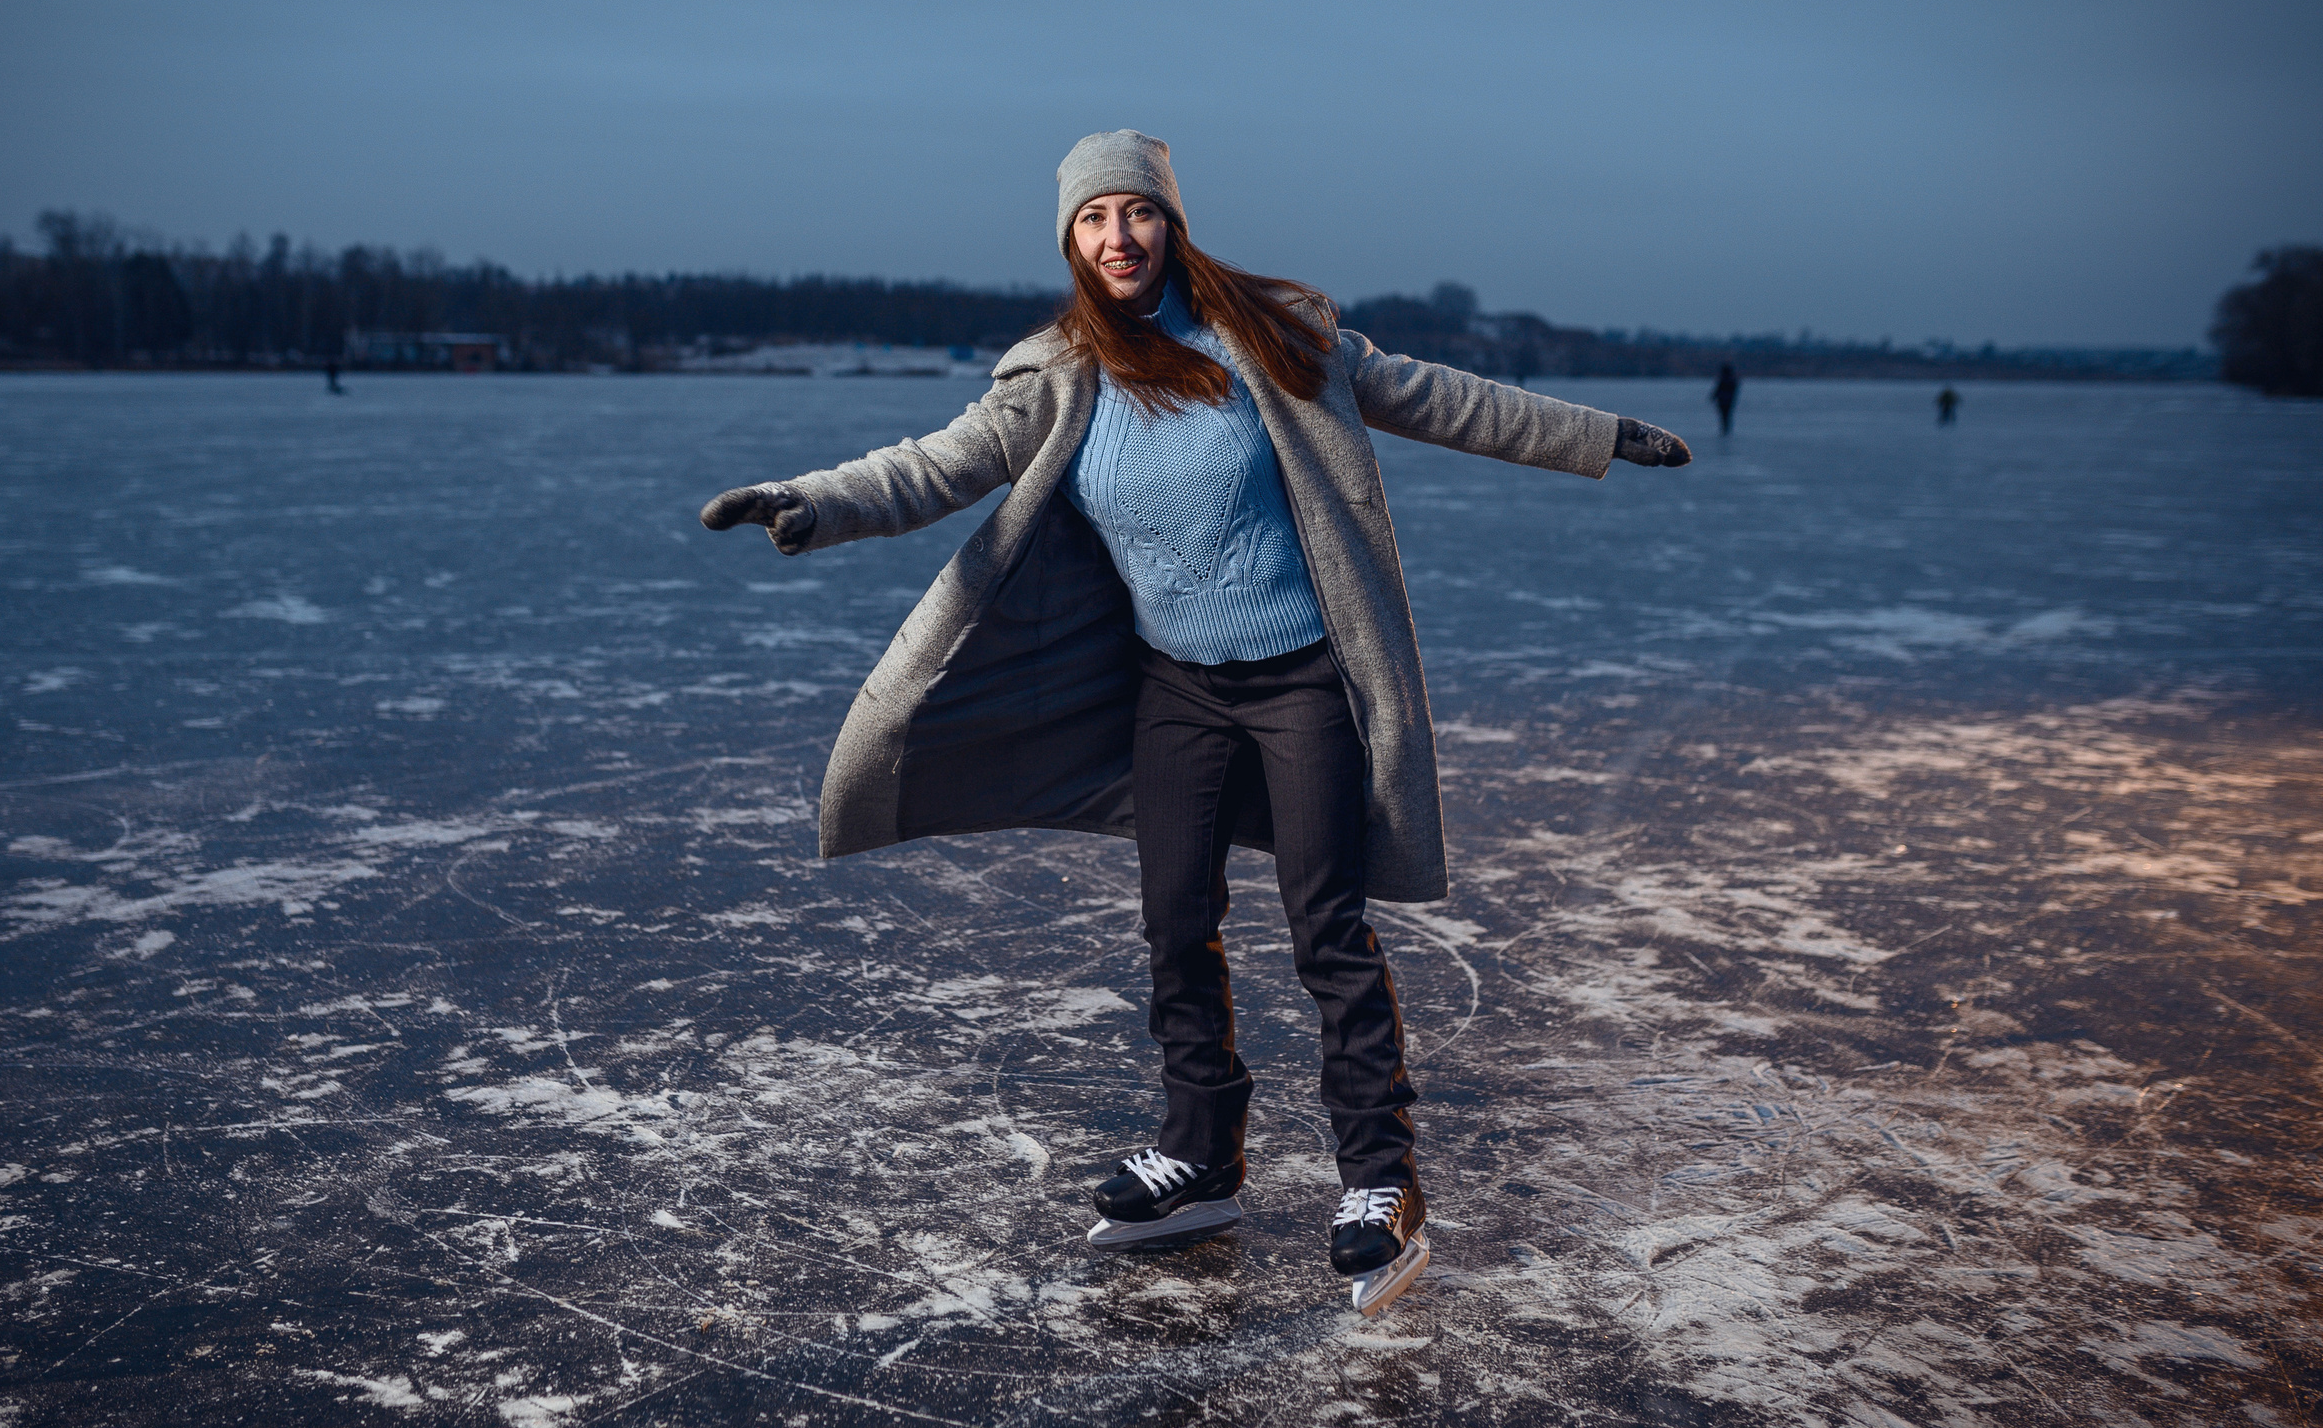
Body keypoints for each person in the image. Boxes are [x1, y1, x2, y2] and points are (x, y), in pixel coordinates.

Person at [700, 132, 1694, 1316]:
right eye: (1092, 221)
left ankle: (1380, 1182)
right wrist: (810, 503)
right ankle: (1203, 1152)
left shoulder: (1274, 336)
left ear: (1171, 223)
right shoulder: (1056, 374)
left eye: (1136, 214)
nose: (1116, 238)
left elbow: (1433, 395)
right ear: (1069, 243)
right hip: (1175, 689)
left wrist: (1594, 434)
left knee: (1327, 927)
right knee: (1176, 923)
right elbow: (936, 463)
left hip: (1300, 681)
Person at [1710, 362, 1740, 435]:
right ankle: (1726, 429)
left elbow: (1718, 389)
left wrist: (1713, 397)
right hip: (1729, 400)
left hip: (1723, 400)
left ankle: (1724, 429)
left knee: (1724, 415)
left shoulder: (1724, 379)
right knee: (1727, 415)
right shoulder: (1733, 379)